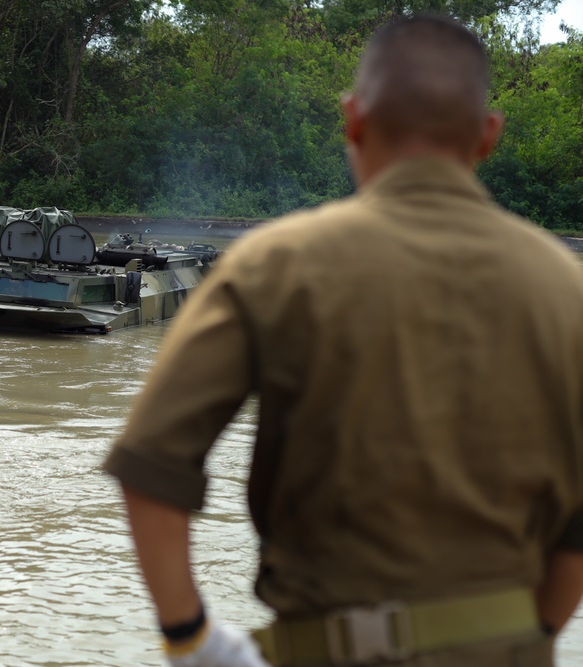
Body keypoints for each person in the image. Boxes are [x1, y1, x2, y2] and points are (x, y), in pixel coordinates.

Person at [103, 14, 583, 667]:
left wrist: (194, 640)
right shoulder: (567, 289)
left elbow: (149, 461)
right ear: (489, 134)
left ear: (353, 118)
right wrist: (528, 636)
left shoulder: (274, 263)